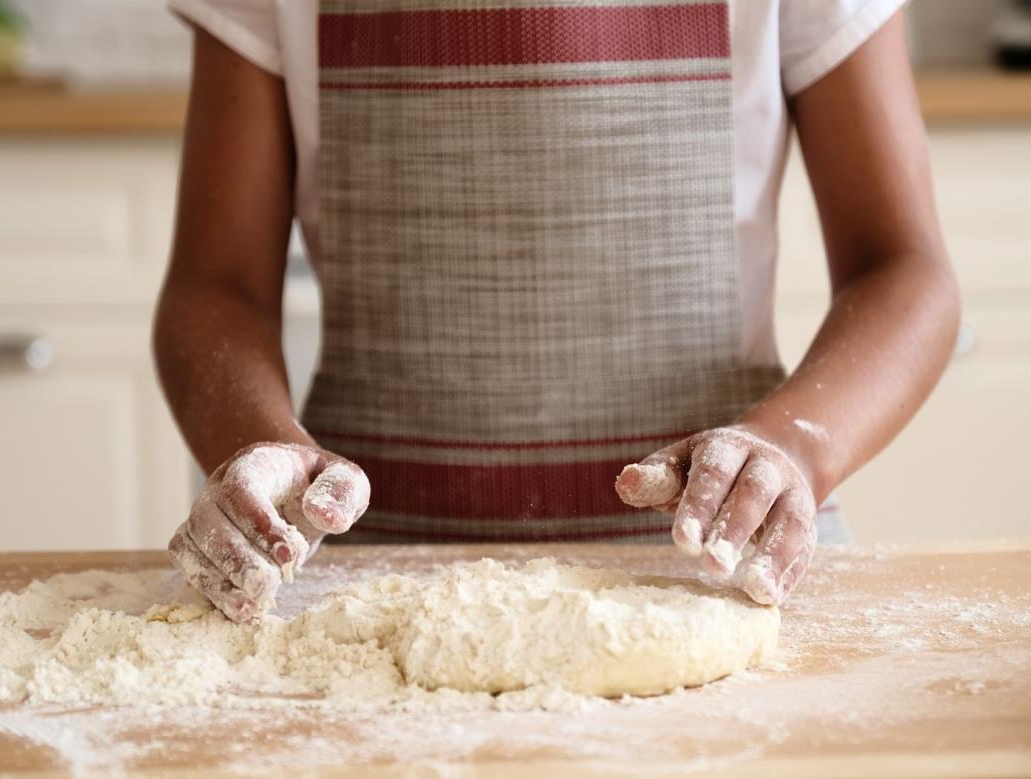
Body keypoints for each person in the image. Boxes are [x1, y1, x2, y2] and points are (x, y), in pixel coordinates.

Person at [155, 0, 959, 623]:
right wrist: (258, 447)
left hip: (722, 571)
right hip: (367, 583)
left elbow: (904, 267)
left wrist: (795, 446)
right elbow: (216, 282)